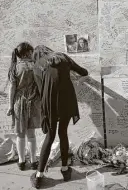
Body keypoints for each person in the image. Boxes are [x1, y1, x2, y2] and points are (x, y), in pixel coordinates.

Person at [31, 45, 88, 189]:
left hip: (49, 103)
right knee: (63, 133)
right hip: (66, 100)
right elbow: (84, 72)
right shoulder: (63, 57)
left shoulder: (37, 66)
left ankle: (39, 176)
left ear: (37, 55)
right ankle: (65, 169)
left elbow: (40, 90)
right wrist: (74, 79)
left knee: (49, 137)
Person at [7, 42, 41, 171]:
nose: (33, 54)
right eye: (32, 52)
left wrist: (10, 106)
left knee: (20, 135)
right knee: (31, 135)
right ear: (27, 53)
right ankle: (33, 162)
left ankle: (21, 161)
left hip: (19, 102)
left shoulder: (14, 67)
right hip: (33, 102)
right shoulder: (36, 66)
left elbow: (12, 88)